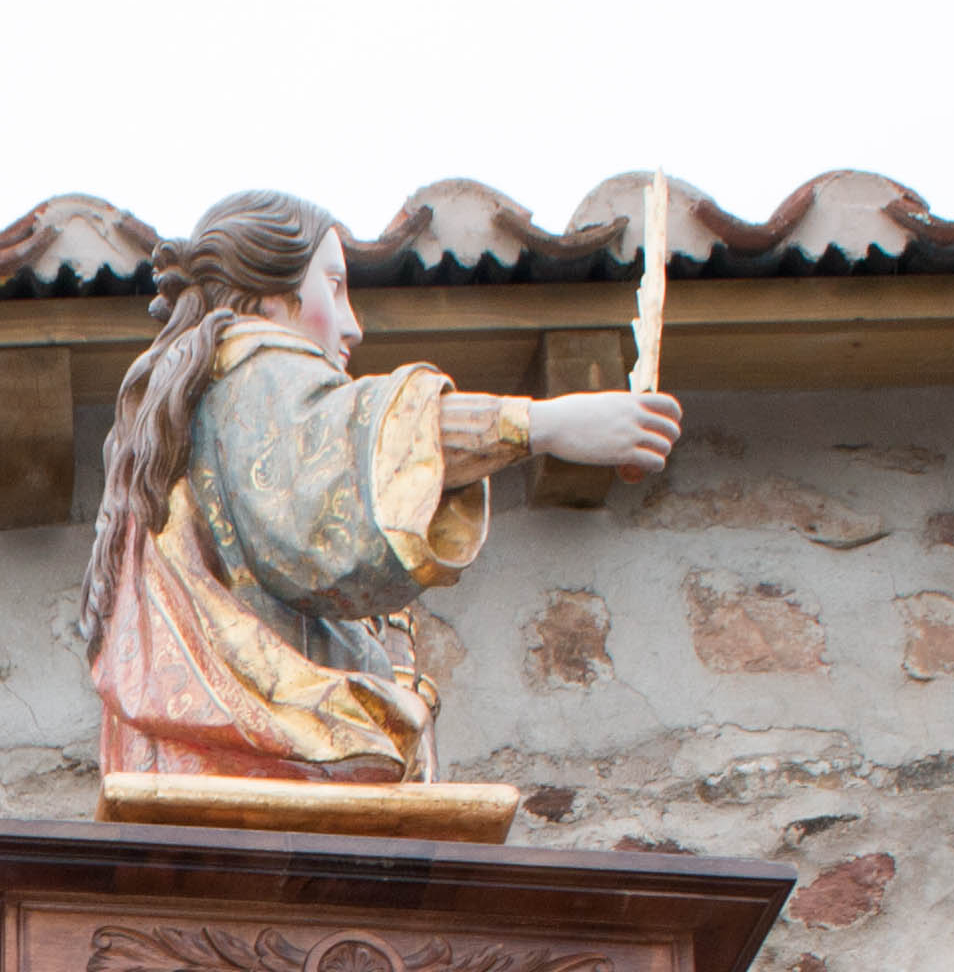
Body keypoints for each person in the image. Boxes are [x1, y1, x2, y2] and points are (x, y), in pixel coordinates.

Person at [82, 186, 678, 784]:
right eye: (334, 288)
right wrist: (547, 425)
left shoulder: (188, 405)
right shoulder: (253, 375)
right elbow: (352, 449)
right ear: (269, 297)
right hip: (260, 785)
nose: (352, 326)